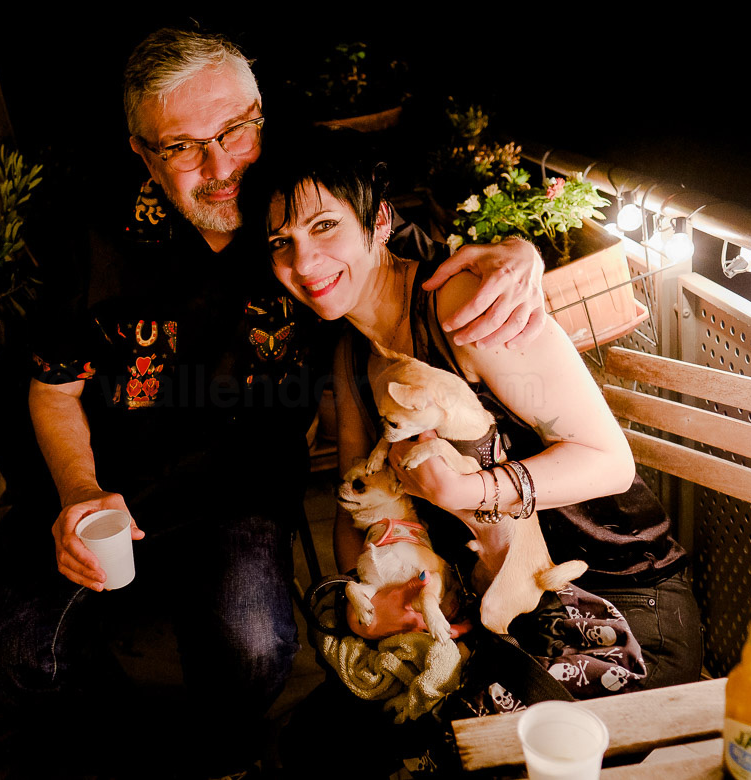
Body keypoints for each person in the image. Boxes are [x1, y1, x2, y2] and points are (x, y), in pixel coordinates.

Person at [0, 27, 550, 778]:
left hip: (239, 490)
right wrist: (78, 491)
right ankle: (126, 748)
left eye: (234, 132)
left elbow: (409, 260)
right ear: (143, 153)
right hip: (104, 489)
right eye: (182, 148)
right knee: (17, 655)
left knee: (255, 652)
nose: (221, 168)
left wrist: (519, 253)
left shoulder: (302, 199)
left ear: (260, 117)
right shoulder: (87, 234)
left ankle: (224, 758)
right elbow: (53, 386)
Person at [240, 127, 703, 691]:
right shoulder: (351, 352)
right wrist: (377, 604)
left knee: (473, 735)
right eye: (280, 242)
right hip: (492, 613)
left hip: (615, 600)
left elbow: (609, 462)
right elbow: (353, 504)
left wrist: (467, 491)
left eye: (324, 226)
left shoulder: (462, 305)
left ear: (379, 220)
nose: (304, 261)